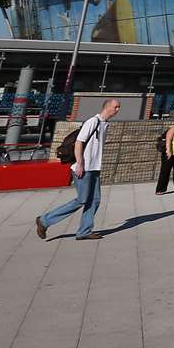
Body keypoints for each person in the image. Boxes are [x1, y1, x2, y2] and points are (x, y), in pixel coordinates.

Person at [35, 99, 119, 241]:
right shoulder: (93, 121)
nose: (118, 110)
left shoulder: (105, 125)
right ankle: (44, 220)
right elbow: (79, 142)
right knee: (82, 199)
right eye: (116, 107)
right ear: (107, 107)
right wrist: (80, 163)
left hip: (94, 168)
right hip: (83, 168)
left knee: (95, 200)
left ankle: (84, 231)